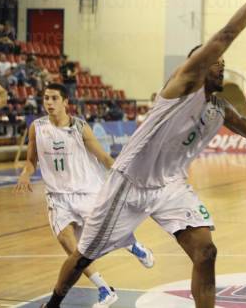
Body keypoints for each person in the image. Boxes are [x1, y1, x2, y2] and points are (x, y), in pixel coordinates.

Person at [40, 0, 246, 308]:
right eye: (214, 60)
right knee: (84, 256)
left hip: (170, 186)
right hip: (130, 183)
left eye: (222, 63)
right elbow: (226, 35)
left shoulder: (219, 107)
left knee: (206, 252)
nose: (220, 64)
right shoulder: (183, 85)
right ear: (197, 65)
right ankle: (54, 302)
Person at [15, 83, 154, 308]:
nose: (48, 102)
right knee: (70, 246)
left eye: (53, 98)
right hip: (58, 197)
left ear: (65, 102)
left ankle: (133, 245)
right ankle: (104, 289)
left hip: (88, 191)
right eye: (45, 98)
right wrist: (25, 173)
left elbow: (104, 158)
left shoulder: (80, 128)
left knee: (104, 235)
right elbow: (31, 161)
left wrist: (125, 178)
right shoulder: (37, 128)